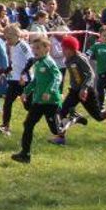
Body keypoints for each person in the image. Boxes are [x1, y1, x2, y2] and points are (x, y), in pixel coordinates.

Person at [52, 34, 106, 140]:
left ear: (72, 49)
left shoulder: (80, 58)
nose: (63, 51)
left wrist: (84, 88)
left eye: (65, 49)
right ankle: (61, 138)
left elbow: (90, 74)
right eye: (63, 48)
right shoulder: (68, 59)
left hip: (87, 92)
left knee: (99, 117)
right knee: (60, 113)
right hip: (74, 91)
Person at [10, 32, 64, 164]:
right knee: (28, 124)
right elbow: (35, 81)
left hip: (51, 102)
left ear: (47, 48)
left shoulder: (49, 62)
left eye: (38, 48)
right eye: (33, 48)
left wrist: (50, 91)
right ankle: (25, 154)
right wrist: (25, 92)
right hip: (38, 101)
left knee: (56, 130)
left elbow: (58, 77)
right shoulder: (38, 63)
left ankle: (73, 119)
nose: (35, 51)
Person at [0, 24, 32, 137]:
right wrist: (4, 73)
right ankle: (5, 126)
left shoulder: (23, 45)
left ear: (16, 35)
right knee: (7, 102)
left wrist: (24, 74)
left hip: (24, 81)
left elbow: (31, 60)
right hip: (14, 80)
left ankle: (53, 112)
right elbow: (13, 63)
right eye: (6, 38)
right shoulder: (12, 47)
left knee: (29, 106)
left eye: (9, 38)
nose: (7, 41)